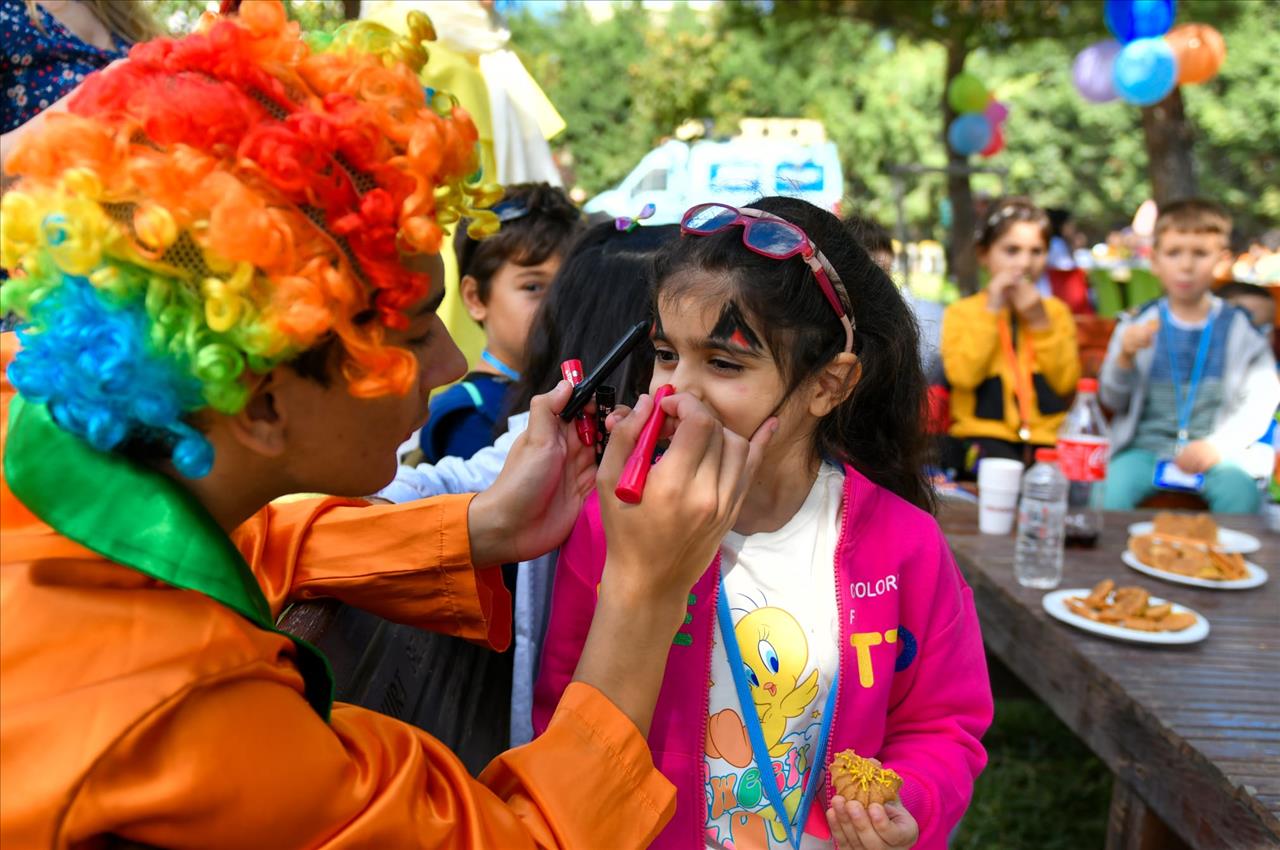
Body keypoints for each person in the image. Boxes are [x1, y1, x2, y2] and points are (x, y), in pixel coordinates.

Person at [0, 5, 772, 846]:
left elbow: (259, 538)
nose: (449, 365)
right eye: (409, 333)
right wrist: (645, 592)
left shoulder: (37, 431)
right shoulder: (182, 715)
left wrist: (478, 526)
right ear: (260, 401)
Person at [534, 198, 993, 850]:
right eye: (667, 354)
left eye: (724, 364)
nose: (677, 392)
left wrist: (907, 803)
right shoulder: (616, 526)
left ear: (828, 385)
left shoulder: (904, 546)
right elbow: (564, 710)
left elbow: (942, 722)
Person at [373, 220, 679, 753]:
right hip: (568, 751)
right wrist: (487, 519)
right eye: (672, 352)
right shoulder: (558, 442)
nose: (449, 366)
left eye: (722, 360)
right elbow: (425, 487)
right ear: (632, 345)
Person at [1098, 199, 1280, 513]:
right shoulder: (1135, 324)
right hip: (1144, 451)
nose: (1186, 265)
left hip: (1214, 453)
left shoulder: (1240, 328)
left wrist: (1218, 446)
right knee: (1110, 489)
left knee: (1241, 495)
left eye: (1199, 253)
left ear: (1221, 260)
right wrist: (1124, 358)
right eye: (1174, 253)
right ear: (1155, 260)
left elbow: (1260, 401)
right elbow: (1112, 399)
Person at [418, 181, 582, 462]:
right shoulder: (467, 414)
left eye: (568, 286)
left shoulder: (569, 386)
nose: (557, 303)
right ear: (475, 298)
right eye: (533, 287)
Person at [940, 197, 1080, 476]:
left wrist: (1040, 323)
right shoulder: (963, 312)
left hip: (1046, 441)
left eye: (1036, 251)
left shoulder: (1056, 312)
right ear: (984, 254)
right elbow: (963, 375)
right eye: (1012, 251)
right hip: (982, 438)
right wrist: (991, 309)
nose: (1024, 263)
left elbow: (1065, 383)